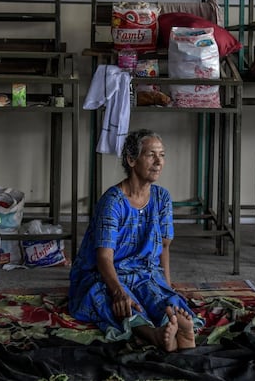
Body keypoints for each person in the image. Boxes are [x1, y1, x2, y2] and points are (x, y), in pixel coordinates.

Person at [68, 129, 199, 352]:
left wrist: (167, 286)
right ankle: (154, 335)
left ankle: (178, 329)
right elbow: (104, 257)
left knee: (160, 298)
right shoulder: (113, 201)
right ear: (131, 160)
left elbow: (164, 248)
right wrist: (118, 291)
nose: (159, 161)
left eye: (162, 155)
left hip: (145, 272)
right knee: (118, 303)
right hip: (106, 273)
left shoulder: (162, 198)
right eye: (151, 155)